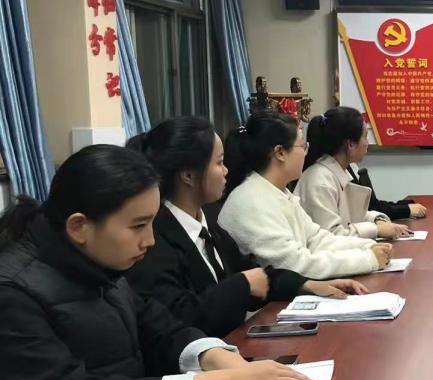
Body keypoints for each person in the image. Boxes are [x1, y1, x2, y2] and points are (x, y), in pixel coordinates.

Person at [0, 145, 315, 380]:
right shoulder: (13, 292)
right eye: (138, 226)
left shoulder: (95, 262)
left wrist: (218, 358)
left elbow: (158, 327)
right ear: (79, 226)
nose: (149, 240)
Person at [127, 117, 368, 338]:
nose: (226, 171)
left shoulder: (209, 223)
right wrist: (242, 285)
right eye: (219, 163)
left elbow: (256, 272)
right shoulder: (155, 240)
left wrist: (306, 285)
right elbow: (183, 317)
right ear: (188, 175)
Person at [218, 113, 391, 279]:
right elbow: (295, 264)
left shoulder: (278, 192)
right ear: (280, 153)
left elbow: (317, 239)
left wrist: (369, 246)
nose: (306, 153)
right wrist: (367, 259)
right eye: (302, 146)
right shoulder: (252, 201)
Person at [296, 108, 410, 239]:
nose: (367, 143)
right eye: (365, 137)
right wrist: (376, 230)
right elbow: (331, 236)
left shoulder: (335, 172)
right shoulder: (320, 182)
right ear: (350, 144)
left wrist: (377, 220)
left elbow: (353, 216)